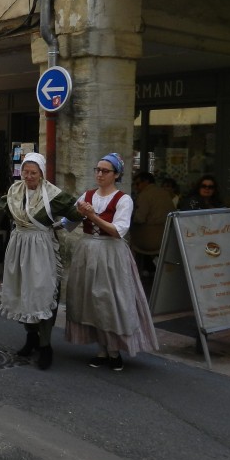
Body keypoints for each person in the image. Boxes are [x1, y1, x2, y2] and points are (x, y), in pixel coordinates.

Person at [64, 153, 158, 371]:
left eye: (105, 171)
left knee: (110, 301)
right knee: (91, 300)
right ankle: (101, 350)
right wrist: (63, 218)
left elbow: (118, 231)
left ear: (116, 174)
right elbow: (69, 223)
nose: (99, 174)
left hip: (111, 253)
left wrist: (92, 216)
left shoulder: (124, 200)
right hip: (88, 251)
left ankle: (114, 350)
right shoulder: (87, 195)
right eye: (97, 170)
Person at [0, 153, 80, 370]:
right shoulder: (15, 191)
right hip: (19, 245)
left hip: (42, 247)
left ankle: (45, 345)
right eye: (25, 172)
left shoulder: (52, 194)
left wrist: (60, 224)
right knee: (23, 291)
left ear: (41, 173)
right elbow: (7, 210)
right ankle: (31, 337)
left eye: (33, 172)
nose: (28, 176)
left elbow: (76, 212)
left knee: (42, 293)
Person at [129, 172, 174, 266]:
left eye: (137, 184)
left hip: (147, 240)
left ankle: (134, 270)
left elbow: (139, 219)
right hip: (166, 237)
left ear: (146, 182)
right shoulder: (165, 193)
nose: (136, 187)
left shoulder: (144, 195)